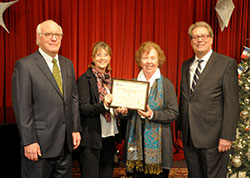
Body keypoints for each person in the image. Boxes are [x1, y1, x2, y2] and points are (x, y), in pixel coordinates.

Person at [11, 20, 81, 178]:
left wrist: (75, 128)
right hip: (39, 146)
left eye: (57, 35)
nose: (54, 38)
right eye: (49, 34)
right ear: (38, 38)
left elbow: (73, 99)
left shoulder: (68, 64)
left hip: (65, 144)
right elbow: (23, 108)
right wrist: (28, 141)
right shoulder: (25, 66)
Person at [178, 21, 240, 178]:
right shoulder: (186, 65)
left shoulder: (226, 64)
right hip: (189, 136)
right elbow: (185, 99)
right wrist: (181, 128)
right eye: (195, 37)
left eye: (203, 36)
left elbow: (231, 103)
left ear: (211, 39)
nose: (200, 40)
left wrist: (227, 136)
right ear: (191, 41)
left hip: (214, 138)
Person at [123, 41, 179, 178]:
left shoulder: (166, 84)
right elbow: (125, 116)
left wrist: (152, 114)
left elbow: (173, 113)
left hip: (160, 149)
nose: (149, 62)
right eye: (145, 58)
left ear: (159, 61)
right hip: (135, 146)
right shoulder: (131, 84)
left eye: (153, 58)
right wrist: (123, 112)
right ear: (139, 61)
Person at [77, 41, 122, 178]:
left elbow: (114, 108)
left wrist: (121, 111)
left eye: (105, 55)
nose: (102, 58)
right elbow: (84, 108)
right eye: (98, 55)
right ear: (93, 58)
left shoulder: (112, 81)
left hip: (110, 134)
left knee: (106, 174)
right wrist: (103, 106)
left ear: (110, 58)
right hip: (92, 136)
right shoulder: (85, 79)